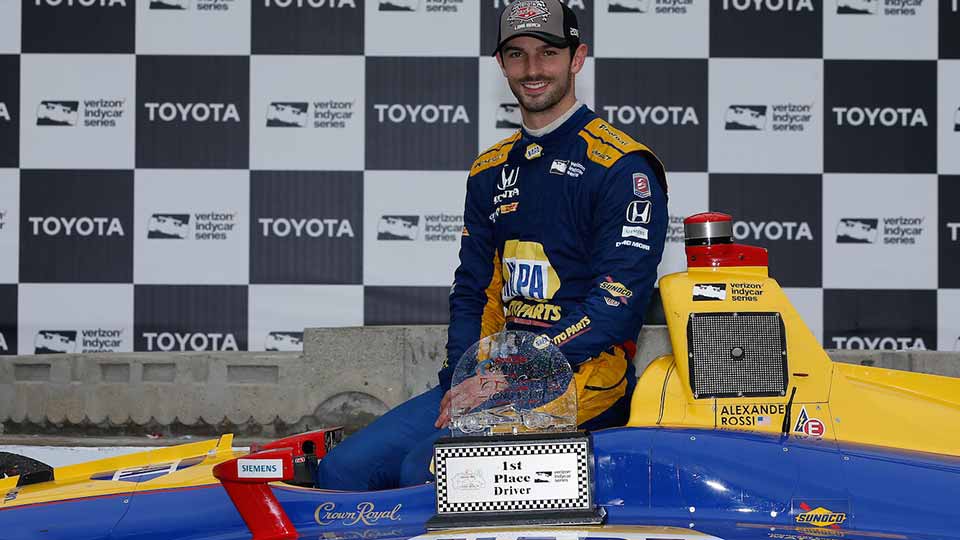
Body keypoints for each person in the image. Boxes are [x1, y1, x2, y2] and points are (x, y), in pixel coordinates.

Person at [318, 0, 667, 491]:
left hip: (580, 379)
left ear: (577, 58)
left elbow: (614, 309)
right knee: (342, 471)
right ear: (501, 64)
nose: (533, 69)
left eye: (548, 52)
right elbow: (473, 292)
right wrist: (464, 375)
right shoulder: (490, 169)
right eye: (517, 54)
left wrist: (509, 372)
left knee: (423, 472)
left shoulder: (623, 167)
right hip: (491, 376)